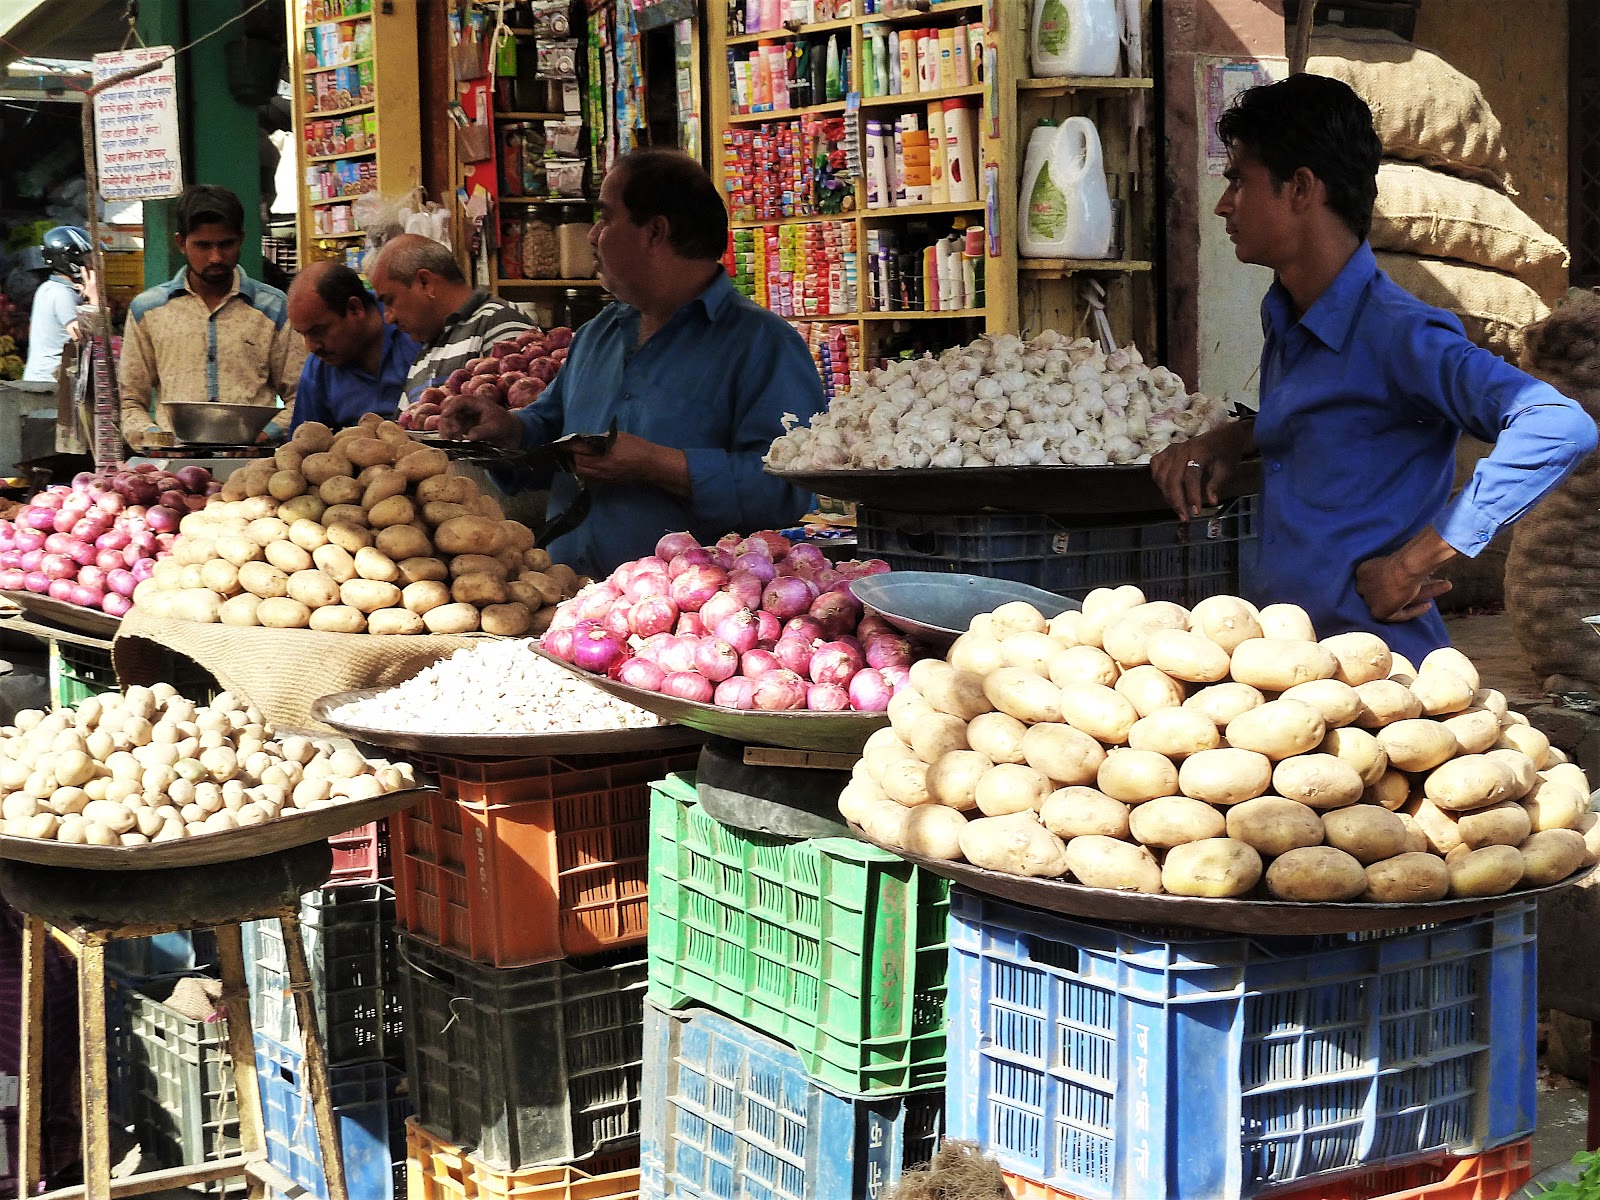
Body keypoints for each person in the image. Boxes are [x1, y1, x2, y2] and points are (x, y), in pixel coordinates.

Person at [1150, 74, 1596, 662]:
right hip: (1289, 663)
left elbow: (1559, 424)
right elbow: (1341, 416)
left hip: (1378, 676)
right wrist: (1237, 436)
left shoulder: (1399, 332)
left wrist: (1413, 563)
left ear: (1301, 188)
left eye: (1240, 181)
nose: (1224, 203)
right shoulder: (1287, 313)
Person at [436, 147, 826, 577]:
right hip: (570, 605)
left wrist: (657, 464)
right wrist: (508, 429)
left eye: (605, 217)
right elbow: (550, 427)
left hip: (691, 622)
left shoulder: (765, 346)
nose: (592, 234)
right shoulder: (599, 333)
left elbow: (789, 489)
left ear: (655, 231)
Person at [118, 185, 305, 446]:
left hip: (255, 467)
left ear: (241, 239)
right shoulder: (148, 311)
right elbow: (130, 402)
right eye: (203, 246)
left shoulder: (272, 308)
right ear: (181, 243)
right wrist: (157, 439)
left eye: (226, 244)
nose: (215, 257)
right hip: (176, 469)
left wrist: (264, 435)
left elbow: (301, 396)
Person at [367, 234, 533, 407]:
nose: (388, 318)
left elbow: (517, 416)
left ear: (425, 282)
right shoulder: (426, 352)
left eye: (389, 301)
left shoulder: (499, 323)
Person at [286, 261, 419, 431]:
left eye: (318, 330)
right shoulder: (317, 370)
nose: (311, 347)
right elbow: (303, 444)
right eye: (303, 334)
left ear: (354, 309)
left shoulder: (414, 332)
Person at [23, 227, 93, 383]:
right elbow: (87, 339)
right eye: (86, 258)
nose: (90, 264)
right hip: (52, 383)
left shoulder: (48, 288)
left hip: (39, 377)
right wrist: (94, 298)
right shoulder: (63, 294)